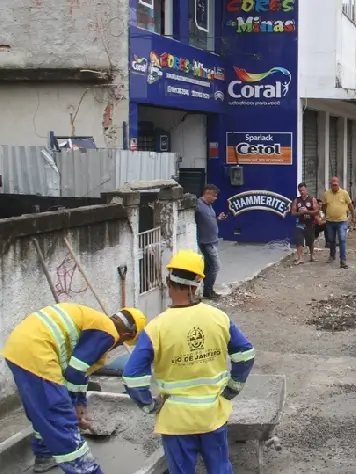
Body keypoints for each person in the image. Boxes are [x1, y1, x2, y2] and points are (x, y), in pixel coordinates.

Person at [123, 250, 255, 474]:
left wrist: (149, 405)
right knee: (220, 469)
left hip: (176, 420)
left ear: (168, 283)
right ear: (198, 284)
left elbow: (132, 376)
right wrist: (232, 389)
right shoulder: (219, 318)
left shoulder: (157, 327)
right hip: (212, 414)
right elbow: (245, 354)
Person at [2, 303, 146, 473]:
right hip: (37, 353)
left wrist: (81, 405)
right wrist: (76, 408)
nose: (117, 345)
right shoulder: (109, 333)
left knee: (43, 410)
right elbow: (75, 372)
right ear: (125, 335)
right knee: (60, 416)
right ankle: (87, 470)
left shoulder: (94, 321)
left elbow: (79, 371)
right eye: (122, 343)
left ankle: (45, 455)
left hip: (17, 349)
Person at [196, 184, 227, 299]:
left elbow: (209, 220)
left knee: (208, 267)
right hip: (206, 242)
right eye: (214, 196)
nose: (216, 198)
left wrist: (218, 219)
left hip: (213, 241)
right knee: (216, 266)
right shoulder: (198, 205)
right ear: (207, 193)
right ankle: (208, 291)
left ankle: (205, 288)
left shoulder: (209, 206)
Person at [323, 176, 356, 269]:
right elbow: (324, 206)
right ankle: (332, 255)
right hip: (330, 221)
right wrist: (326, 215)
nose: (334, 186)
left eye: (336, 185)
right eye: (333, 185)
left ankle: (343, 260)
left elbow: (350, 205)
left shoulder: (344, 193)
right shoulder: (326, 194)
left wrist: (353, 216)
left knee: (342, 240)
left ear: (339, 184)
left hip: (342, 221)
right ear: (330, 184)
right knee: (331, 240)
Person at [290, 182, 319, 264]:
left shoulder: (312, 199)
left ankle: (312, 255)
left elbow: (316, 211)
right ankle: (300, 258)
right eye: (300, 190)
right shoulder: (296, 200)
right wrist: (300, 212)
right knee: (299, 240)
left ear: (306, 189)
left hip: (310, 224)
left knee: (310, 242)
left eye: (303, 190)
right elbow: (293, 212)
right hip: (300, 224)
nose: (301, 192)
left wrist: (307, 211)